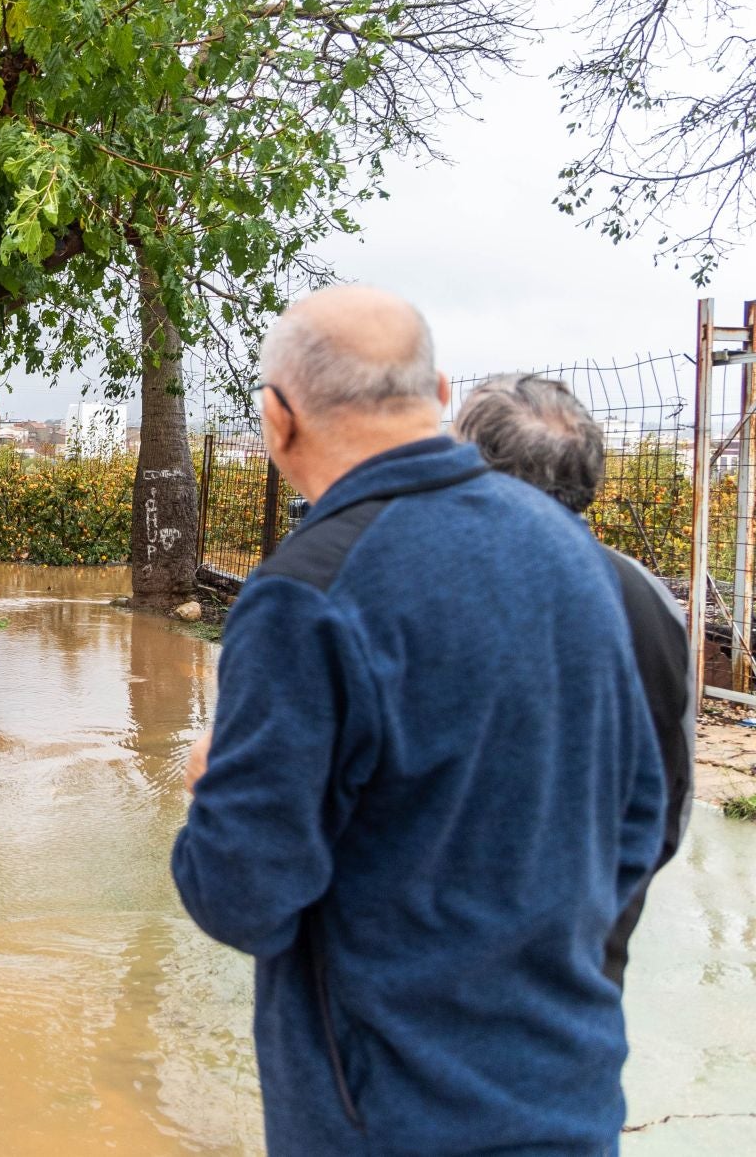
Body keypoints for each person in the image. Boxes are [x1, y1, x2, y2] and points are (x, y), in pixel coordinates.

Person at [171, 285, 665, 1156]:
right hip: (571, 1096)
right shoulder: (575, 556)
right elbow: (638, 818)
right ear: (440, 397)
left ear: (276, 420)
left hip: (390, 1120)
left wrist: (216, 790)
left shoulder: (306, 593)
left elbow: (242, 897)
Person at [455, 373, 693, 986]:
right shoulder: (651, 599)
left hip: (440, 980)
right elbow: (672, 801)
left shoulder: (434, 590)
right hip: (585, 960)